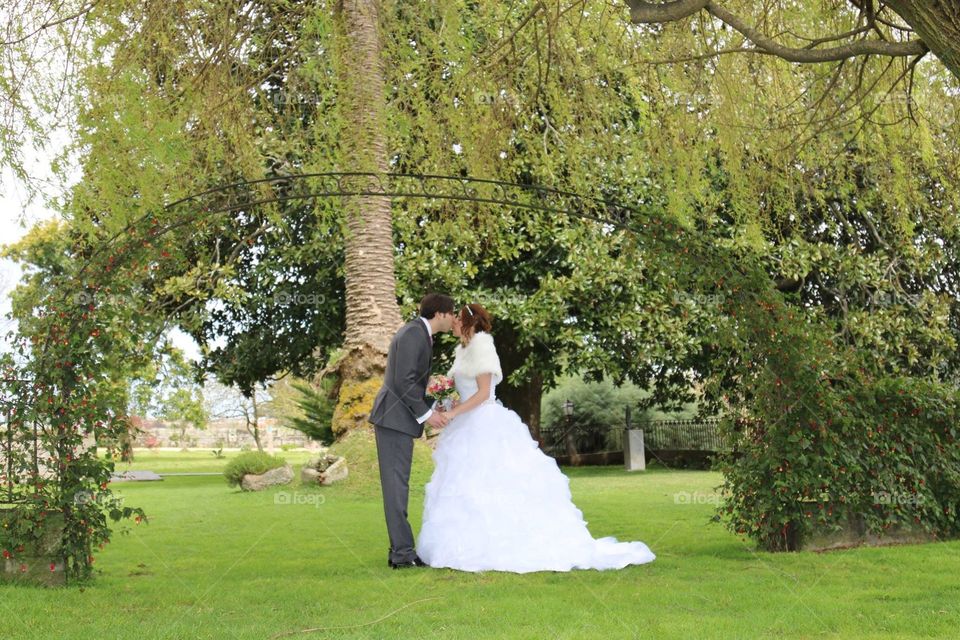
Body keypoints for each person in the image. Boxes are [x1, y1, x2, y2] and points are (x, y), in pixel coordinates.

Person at [415, 303, 656, 572]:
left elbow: (483, 394)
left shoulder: (482, 346)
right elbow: (468, 392)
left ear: (469, 322)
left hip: (484, 423)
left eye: (458, 318)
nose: (453, 322)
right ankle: (464, 543)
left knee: (492, 481)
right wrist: (449, 406)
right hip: (466, 424)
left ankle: (502, 542)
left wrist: (454, 412)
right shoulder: (462, 351)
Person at [368, 293, 456, 569]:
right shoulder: (413, 333)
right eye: (452, 313)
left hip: (398, 419)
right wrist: (428, 415)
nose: (453, 319)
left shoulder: (419, 334)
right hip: (394, 419)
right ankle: (402, 554)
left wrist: (432, 403)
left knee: (398, 486)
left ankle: (401, 551)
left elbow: (412, 382)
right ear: (441, 313)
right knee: (396, 487)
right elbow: (402, 381)